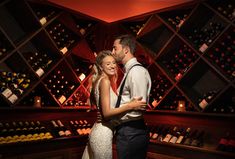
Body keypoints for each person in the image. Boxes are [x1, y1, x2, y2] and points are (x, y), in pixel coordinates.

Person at [81, 50, 147, 159]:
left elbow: (105, 112)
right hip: (102, 135)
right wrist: (131, 105)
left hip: (101, 131)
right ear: (101, 67)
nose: (112, 66)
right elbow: (107, 113)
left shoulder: (101, 80)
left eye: (113, 63)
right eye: (108, 64)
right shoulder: (105, 81)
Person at [112, 34, 152, 159]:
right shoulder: (129, 71)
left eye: (115, 48)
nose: (112, 52)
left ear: (126, 50)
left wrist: (115, 118)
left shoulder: (136, 72)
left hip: (131, 131)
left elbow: (139, 108)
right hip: (127, 131)